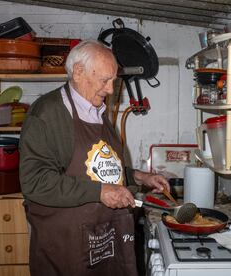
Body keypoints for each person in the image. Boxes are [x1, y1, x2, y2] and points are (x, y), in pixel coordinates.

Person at [19, 40, 169, 276]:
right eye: (105, 80)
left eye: (113, 81)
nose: (110, 89)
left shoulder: (96, 110)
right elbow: (35, 182)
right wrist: (99, 192)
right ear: (78, 72)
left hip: (103, 233)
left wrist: (139, 176)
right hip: (65, 242)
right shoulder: (47, 114)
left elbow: (98, 168)